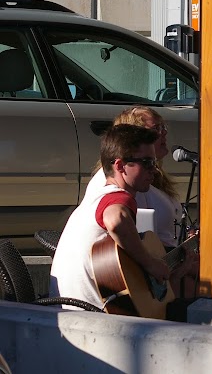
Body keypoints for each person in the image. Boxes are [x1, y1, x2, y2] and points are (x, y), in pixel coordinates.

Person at [49, 124, 172, 310]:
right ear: (120, 166)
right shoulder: (117, 197)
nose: (153, 169)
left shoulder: (94, 200)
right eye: (146, 162)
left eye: (154, 162)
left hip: (68, 311)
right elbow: (116, 221)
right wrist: (151, 264)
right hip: (91, 316)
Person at [86, 106, 183, 250]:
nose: (164, 132)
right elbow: (115, 221)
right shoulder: (115, 181)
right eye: (156, 128)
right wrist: (149, 263)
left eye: (163, 127)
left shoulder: (146, 174)